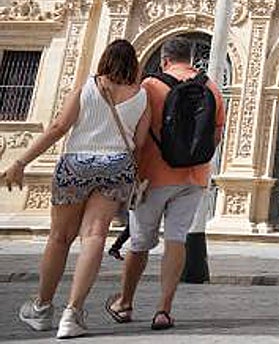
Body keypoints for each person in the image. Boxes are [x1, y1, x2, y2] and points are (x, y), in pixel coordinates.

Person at [4, 39, 149, 338]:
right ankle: (74, 312)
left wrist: (21, 162)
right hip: (115, 166)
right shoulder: (142, 96)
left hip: (76, 164)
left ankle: (42, 308)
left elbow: (58, 128)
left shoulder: (86, 88)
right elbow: (141, 142)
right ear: (133, 64)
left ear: (105, 60)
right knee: (95, 235)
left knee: (59, 237)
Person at [108, 36, 225, 332]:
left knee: (139, 242)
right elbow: (216, 137)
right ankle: (163, 310)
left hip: (152, 178)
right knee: (177, 240)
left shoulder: (149, 87)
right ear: (191, 58)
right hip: (194, 178)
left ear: (164, 59)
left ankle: (125, 302)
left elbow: (138, 134)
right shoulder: (210, 87)